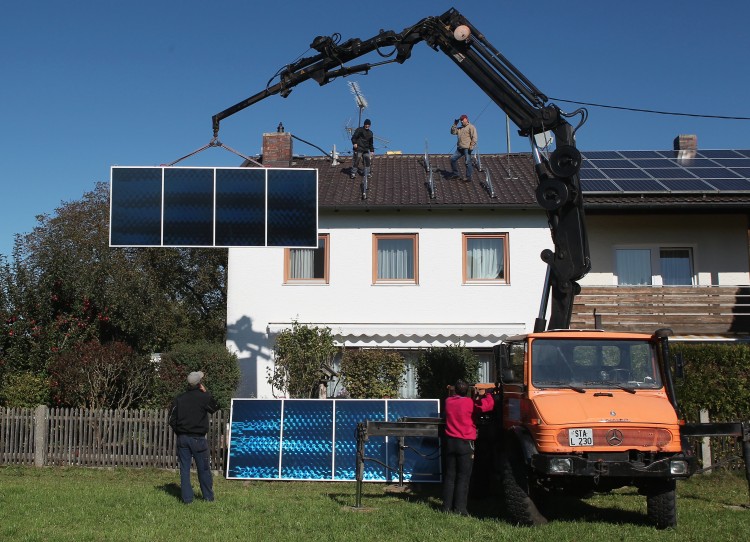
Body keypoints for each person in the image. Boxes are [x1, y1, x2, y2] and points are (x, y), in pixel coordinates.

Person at [441, 379, 494, 515]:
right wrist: (487, 394)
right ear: (468, 391)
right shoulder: (470, 403)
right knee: (463, 477)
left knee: (450, 475)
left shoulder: (448, 401)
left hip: (450, 442)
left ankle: (446, 507)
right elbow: (486, 407)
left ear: (455, 390)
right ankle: (460, 509)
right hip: (465, 443)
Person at [168, 370, 220, 504]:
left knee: (184, 470)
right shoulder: (204, 397)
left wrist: (179, 431)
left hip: (183, 438)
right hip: (198, 439)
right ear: (200, 383)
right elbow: (215, 408)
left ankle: (187, 499)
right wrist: (206, 392)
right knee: (203, 469)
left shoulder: (180, 398)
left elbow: (171, 419)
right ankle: (208, 497)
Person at [449, 114, 478, 181]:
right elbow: (452, 132)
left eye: (462, 120)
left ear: (466, 119)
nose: (461, 121)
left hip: (467, 148)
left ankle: (468, 177)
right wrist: (455, 124)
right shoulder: (460, 129)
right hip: (460, 148)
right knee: (452, 159)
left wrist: (471, 146)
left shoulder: (471, 127)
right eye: (461, 120)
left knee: (467, 162)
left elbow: (475, 137)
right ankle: (456, 174)